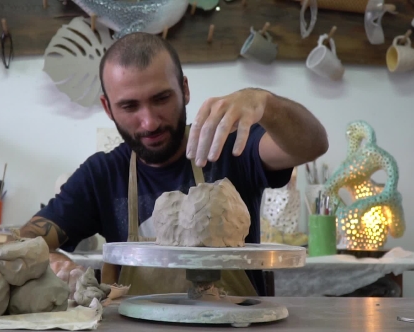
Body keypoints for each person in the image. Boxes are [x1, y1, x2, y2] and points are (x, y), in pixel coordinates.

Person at [19, 32, 329, 297]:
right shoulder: (102, 174)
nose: (149, 121)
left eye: (161, 99)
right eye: (129, 106)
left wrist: (266, 104)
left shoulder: (230, 146)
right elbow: (23, 241)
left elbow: (313, 144)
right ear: (108, 107)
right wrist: (54, 263)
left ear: (185, 89)